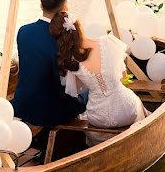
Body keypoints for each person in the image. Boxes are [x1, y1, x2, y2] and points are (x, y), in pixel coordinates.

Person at [49, 9, 147, 145]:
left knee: (85, 113)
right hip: (126, 110)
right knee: (135, 100)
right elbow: (123, 76)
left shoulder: (69, 61)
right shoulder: (108, 42)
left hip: (98, 116)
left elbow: (76, 90)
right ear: (80, 27)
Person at [11, 0, 89, 127]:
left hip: (21, 105)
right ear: (65, 7)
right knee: (89, 93)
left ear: (41, 6)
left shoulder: (23, 31)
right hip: (51, 111)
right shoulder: (66, 36)